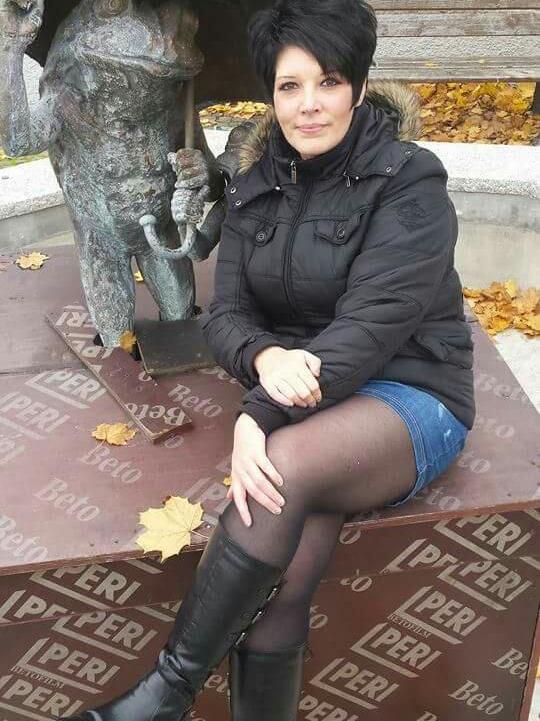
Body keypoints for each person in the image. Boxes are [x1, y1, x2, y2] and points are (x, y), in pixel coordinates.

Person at [59, 1, 475, 720]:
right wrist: (267, 352)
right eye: (289, 86)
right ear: (271, 94)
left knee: (280, 467)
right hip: (307, 398)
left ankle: (166, 693)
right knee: (281, 584)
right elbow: (225, 316)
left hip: (409, 390)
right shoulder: (254, 185)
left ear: (357, 86)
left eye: (328, 81)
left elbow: (371, 327)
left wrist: (258, 414)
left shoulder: (409, 181)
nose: (309, 104)